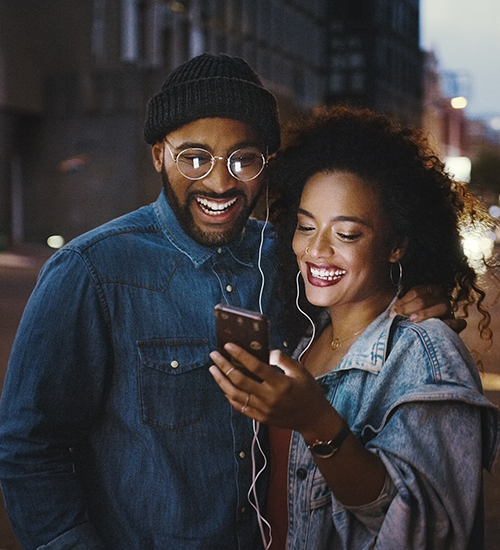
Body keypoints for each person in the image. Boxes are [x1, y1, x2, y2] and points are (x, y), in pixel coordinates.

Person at [0, 54, 452, 550]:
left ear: (266, 162)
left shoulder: (290, 256)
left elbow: (359, 305)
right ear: (159, 154)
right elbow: (29, 445)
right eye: (195, 157)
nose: (220, 183)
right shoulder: (92, 271)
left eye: (244, 159)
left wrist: (417, 292)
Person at [209, 105, 500, 550]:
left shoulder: (425, 351)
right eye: (306, 226)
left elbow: (427, 532)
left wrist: (315, 420)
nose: (316, 250)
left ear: (396, 245)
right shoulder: (305, 336)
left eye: (346, 234)